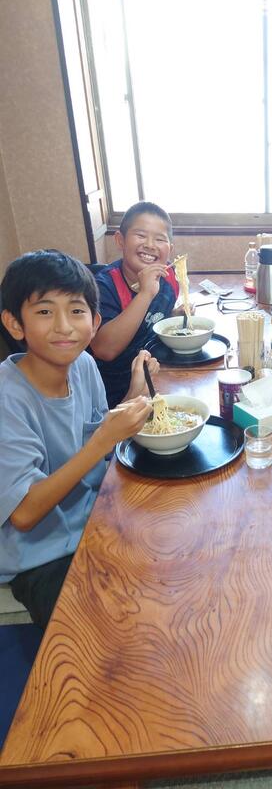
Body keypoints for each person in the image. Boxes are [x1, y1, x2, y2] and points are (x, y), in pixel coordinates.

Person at [0, 250, 155, 629]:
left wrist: (135, 392)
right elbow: (24, 514)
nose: (63, 326)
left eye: (76, 310)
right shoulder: (8, 398)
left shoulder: (83, 365)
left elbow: (98, 439)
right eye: (44, 311)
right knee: (93, 637)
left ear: (94, 322)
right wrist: (104, 439)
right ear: (14, 323)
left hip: (93, 518)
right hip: (40, 557)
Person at [91, 201, 185, 407]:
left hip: (155, 376)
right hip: (110, 395)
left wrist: (173, 316)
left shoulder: (169, 278)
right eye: (141, 235)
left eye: (160, 239)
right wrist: (145, 294)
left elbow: (153, 320)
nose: (150, 245)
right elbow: (104, 349)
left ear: (170, 249)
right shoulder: (104, 285)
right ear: (120, 240)